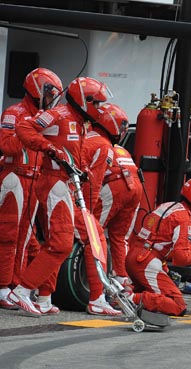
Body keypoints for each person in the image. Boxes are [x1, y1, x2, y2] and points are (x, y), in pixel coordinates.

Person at [11, 77, 110, 316]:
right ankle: (22, 291)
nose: (99, 109)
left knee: (83, 236)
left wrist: (83, 169)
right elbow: (24, 128)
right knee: (61, 243)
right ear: (84, 100)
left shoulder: (80, 123)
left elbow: (74, 153)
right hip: (53, 184)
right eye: (96, 103)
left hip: (66, 185)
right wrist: (47, 147)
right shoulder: (59, 114)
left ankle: (46, 299)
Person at [0, 67, 62, 310]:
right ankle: (3, 287)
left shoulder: (45, 118)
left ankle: (16, 286)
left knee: (26, 238)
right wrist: (30, 130)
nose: (51, 99)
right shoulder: (14, 113)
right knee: (8, 235)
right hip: (14, 177)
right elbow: (7, 146)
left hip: (36, 180)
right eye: (49, 94)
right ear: (37, 89)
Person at [126, 177, 191, 316]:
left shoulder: (168, 206)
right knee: (177, 305)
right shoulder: (184, 218)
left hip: (136, 256)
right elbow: (180, 257)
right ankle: (130, 298)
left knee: (161, 287)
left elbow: (161, 243)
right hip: (146, 262)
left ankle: (127, 291)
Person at [79, 102, 130, 316]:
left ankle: (30, 292)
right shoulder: (104, 145)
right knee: (96, 238)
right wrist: (87, 213)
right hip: (66, 193)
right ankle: (99, 297)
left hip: (53, 188)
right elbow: (93, 186)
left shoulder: (85, 135)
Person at [94, 144, 142, 297]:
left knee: (92, 231)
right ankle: (122, 279)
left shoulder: (95, 142)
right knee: (120, 237)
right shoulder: (122, 149)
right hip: (136, 186)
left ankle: (95, 280)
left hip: (116, 184)